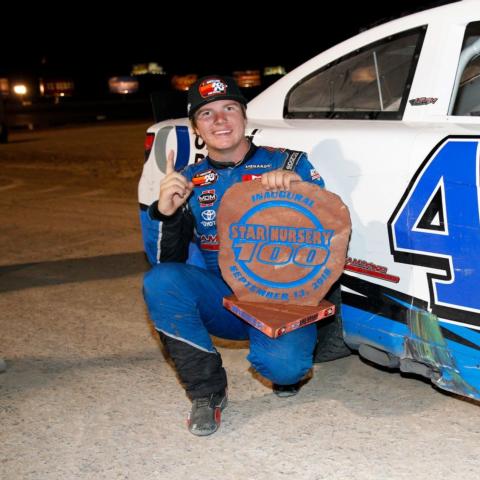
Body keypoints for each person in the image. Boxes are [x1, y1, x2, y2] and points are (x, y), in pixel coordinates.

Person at [142, 75, 325, 436]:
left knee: (286, 369)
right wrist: (165, 212)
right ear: (196, 128)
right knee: (160, 282)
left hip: (281, 298)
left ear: (245, 118)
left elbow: (332, 233)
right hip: (224, 300)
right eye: (207, 114)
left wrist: (299, 195)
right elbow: (164, 261)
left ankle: (280, 356)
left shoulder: (290, 164)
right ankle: (207, 392)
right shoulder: (188, 180)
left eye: (229, 109)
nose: (220, 120)